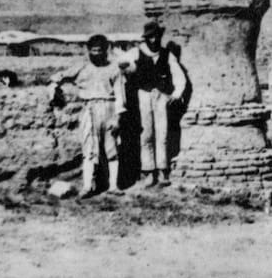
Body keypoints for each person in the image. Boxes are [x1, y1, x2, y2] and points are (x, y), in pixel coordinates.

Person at [49, 34, 127, 198]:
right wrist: (54, 86)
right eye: (93, 50)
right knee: (89, 149)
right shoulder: (81, 67)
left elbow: (120, 95)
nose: (96, 54)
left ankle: (113, 186)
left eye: (99, 50)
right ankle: (87, 186)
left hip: (109, 107)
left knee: (112, 148)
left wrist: (118, 117)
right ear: (88, 50)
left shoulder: (114, 69)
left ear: (105, 50)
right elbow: (60, 76)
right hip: (89, 109)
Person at [118, 21, 188, 188]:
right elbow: (123, 65)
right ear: (146, 38)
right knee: (146, 134)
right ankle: (148, 171)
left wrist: (176, 94)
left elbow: (179, 75)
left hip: (161, 96)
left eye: (156, 36)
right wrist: (128, 69)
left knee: (162, 134)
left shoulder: (167, 54)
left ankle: (163, 170)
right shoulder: (136, 52)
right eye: (150, 37)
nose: (154, 39)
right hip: (143, 95)